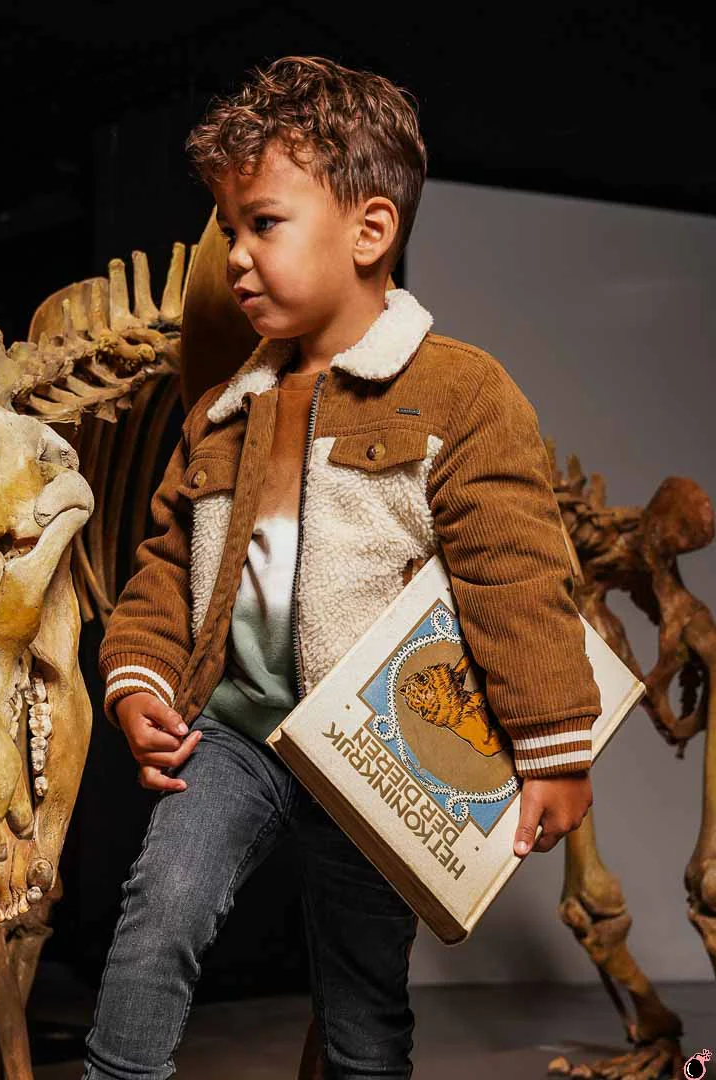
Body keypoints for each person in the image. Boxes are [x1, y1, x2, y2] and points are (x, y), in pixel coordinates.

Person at [85, 55, 599, 1080]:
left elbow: (514, 574)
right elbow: (165, 566)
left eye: (263, 224)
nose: (235, 257)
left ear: (370, 231)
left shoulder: (459, 393)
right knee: (159, 913)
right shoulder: (219, 412)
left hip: (374, 760)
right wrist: (137, 681)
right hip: (233, 735)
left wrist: (555, 748)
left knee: (364, 999)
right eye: (228, 228)